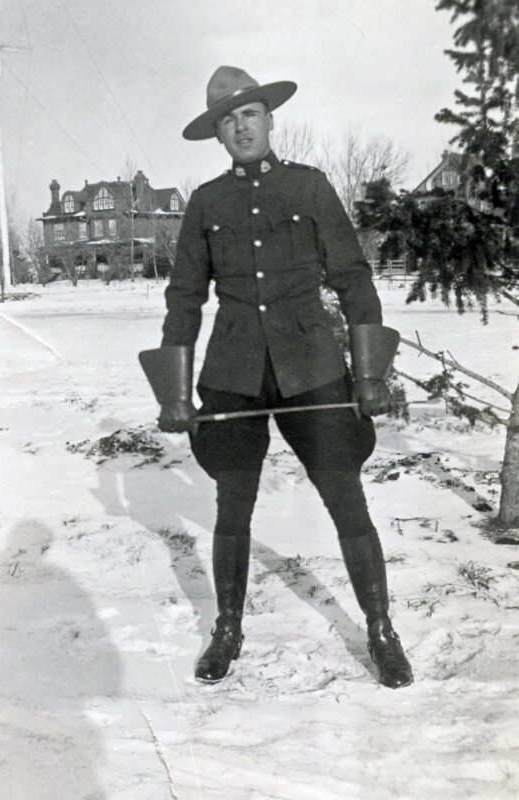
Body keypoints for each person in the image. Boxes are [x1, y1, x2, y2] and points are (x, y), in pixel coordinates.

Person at [150, 65, 413, 689]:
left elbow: (353, 280)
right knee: (232, 506)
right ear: (218, 134)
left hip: (311, 367)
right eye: (228, 121)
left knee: (346, 498)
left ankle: (381, 632)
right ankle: (227, 630)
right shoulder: (206, 203)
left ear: (269, 120)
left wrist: (369, 374)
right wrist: (174, 393)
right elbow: (184, 298)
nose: (241, 128)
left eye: (250, 115)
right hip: (233, 371)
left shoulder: (309, 187)